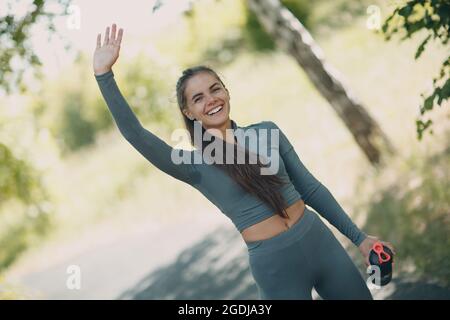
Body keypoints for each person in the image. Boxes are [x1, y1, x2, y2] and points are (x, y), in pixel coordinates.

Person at [93, 23, 396, 300]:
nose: (210, 100)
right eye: (198, 98)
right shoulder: (194, 165)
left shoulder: (267, 132)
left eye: (215, 89)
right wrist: (104, 76)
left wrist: (360, 238)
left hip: (320, 242)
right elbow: (136, 135)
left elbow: (311, 188)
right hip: (276, 267)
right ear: (189, 113)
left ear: (226, 92)